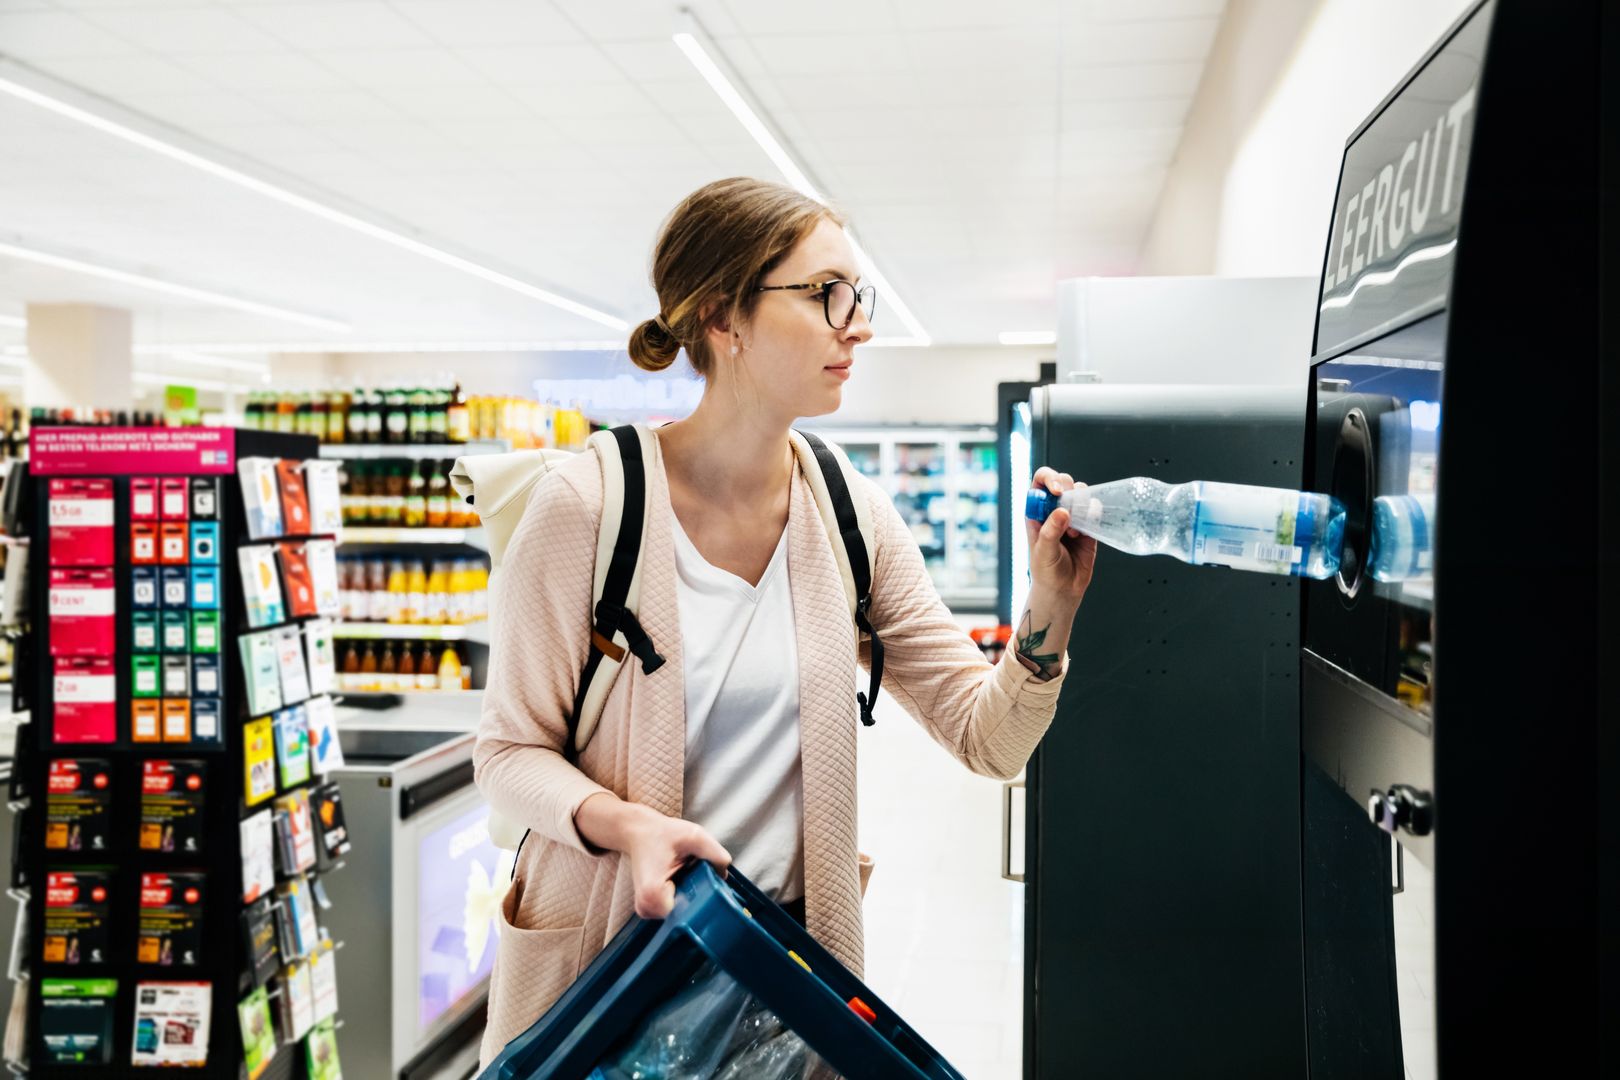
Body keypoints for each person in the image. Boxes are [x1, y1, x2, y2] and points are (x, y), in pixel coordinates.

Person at [473, 177, 1096, 1066]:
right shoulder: (588, 508)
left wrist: (1051, 608)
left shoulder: (850, 514)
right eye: (826, 294)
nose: (859, 324)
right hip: (608, 973)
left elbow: (987, 741)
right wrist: (628, 825)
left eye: (858, 296)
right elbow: (506, 756)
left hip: (779, 985)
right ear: (724, 318)